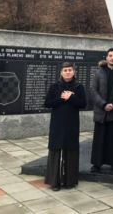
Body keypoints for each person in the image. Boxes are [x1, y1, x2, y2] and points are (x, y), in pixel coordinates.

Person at [44, 62, 87, 191]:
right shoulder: (54, 87)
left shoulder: (79, 87)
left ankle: (70, 181)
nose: (68, 72)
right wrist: (63, 99)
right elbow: (47, 103)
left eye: (70, 70)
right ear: (61, 72)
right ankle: (54, 181)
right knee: (55, 152)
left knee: (71, 152)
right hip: (57, 124)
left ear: (74, 72)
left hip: (72, 124)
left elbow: (83, 104)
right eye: (65, 70)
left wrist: (71, 97)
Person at [90, 48, 113, 173]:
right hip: (101, 112)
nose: (112, 58)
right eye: (110, 55)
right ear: (106, 58)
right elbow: (93, 90)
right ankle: (96, 164)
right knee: (99, 140)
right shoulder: (99, 72)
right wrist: (103, 104)